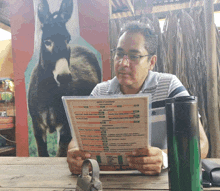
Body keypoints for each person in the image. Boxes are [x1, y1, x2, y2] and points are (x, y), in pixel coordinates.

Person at [67, 21, 209, 175]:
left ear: (151, 62)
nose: (123, 63)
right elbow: (76, 141)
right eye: (119, 54)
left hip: (160, 186)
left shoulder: (169, 87)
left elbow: (201, 144)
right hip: (108, 184)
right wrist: (75, 155)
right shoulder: (100, 92)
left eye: (134, 56)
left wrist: (164, 157)